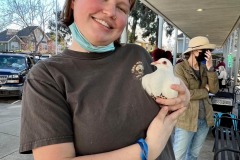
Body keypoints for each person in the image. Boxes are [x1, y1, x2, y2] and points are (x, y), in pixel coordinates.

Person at [19, 0, 190, 159]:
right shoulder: (45, 77)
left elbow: (169, 97)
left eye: (122, 7)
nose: (110, 12)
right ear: (73, 2)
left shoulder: (138, 54)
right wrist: (147, 150)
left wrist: (183, 96)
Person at [173, 36, 219, 160]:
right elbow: (185, 93)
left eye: (207, 51)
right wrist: (206, 90)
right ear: (193, 51)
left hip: (205, 118)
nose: (205, 54)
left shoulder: (205, 68)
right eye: (202, 51)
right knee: (178, 155)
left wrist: (210, 68)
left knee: (193, 155)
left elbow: (214, 89)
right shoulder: (180, 68)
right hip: (186, 118)